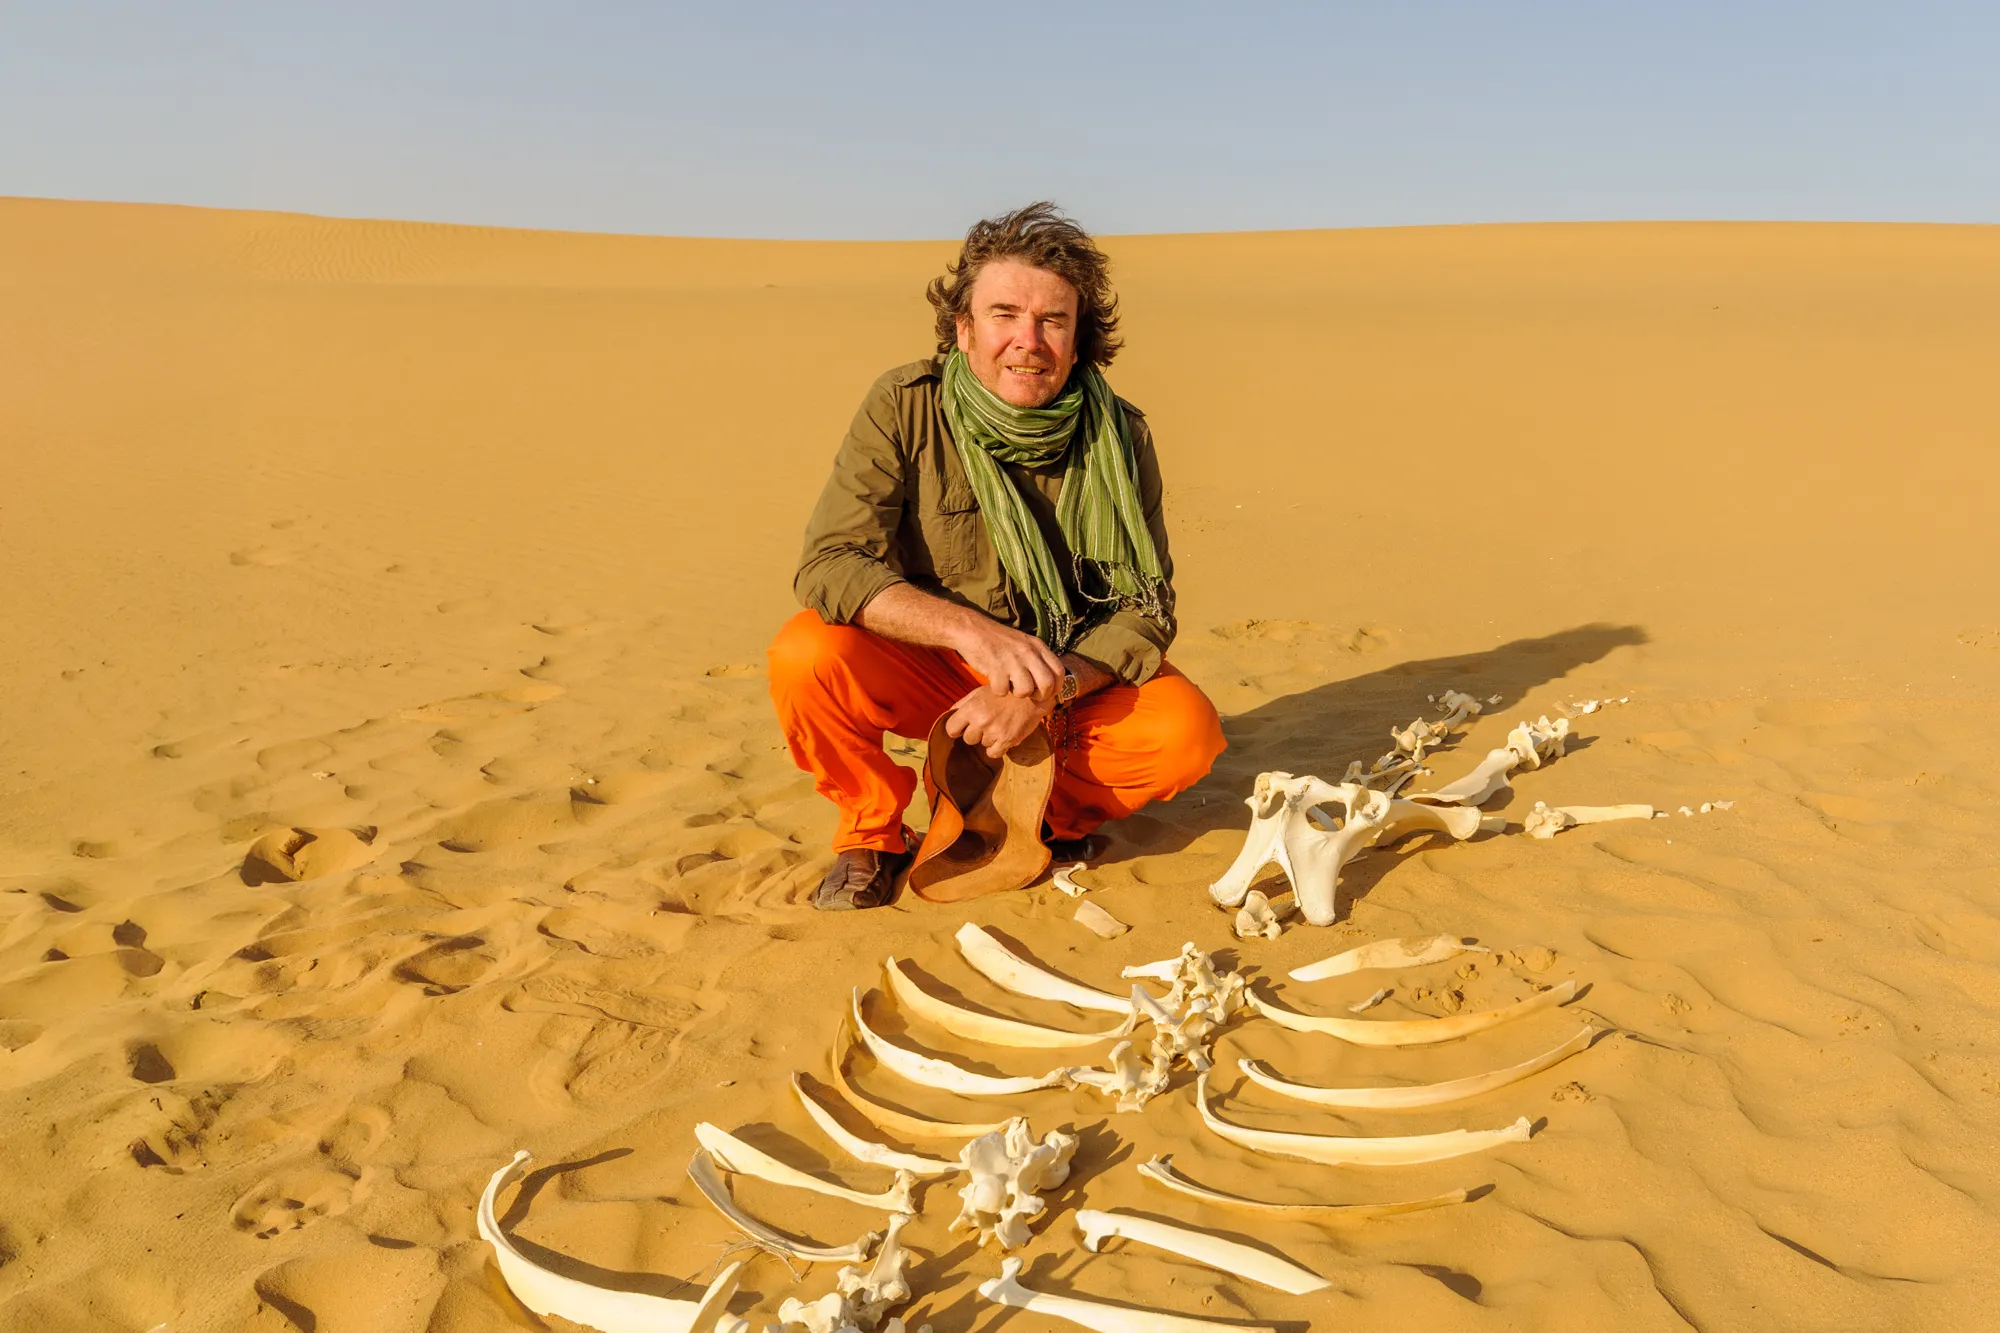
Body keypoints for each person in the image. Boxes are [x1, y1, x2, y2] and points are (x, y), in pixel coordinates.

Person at [768, 202, 1226, 910]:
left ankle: (1044, 814)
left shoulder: (1120, 436)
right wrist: (972, 634)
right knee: (806, 656)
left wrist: (1047, 690)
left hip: (1063, 676)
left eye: (1053, 320)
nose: (1028, 341)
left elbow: (1144, 607)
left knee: (1184, 733)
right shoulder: (904, 406)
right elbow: (831, 562)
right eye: (1005, 313)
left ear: (1080, 339)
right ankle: (871, 833)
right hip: (935, 663)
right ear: (964, 328)